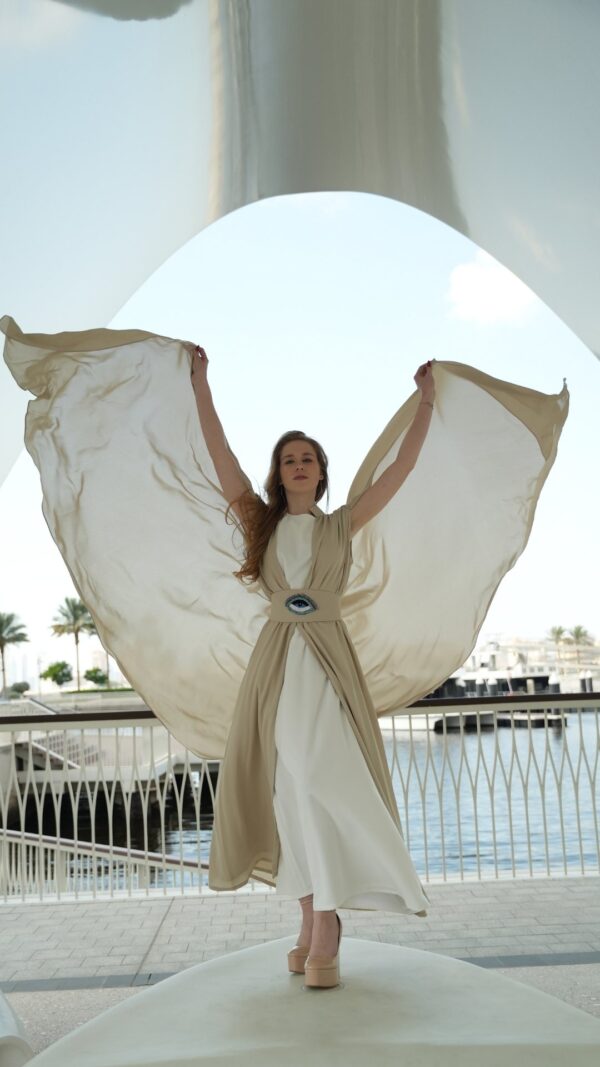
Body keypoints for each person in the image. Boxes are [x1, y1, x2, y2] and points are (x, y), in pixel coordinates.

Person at [187, 341, 435, 988]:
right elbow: (220, 458)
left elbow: (401, 473)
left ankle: (329, 917)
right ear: (279, 473)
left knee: (323, 774)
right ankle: (309, 916)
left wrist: (428, 404)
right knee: (286, 787)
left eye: (308, 458)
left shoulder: (340, 524)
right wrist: (200, 384)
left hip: (325, 658)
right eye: (288, 459)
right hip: (276, 661)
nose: (298, 465)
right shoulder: (260, 523)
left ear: (322, 473)